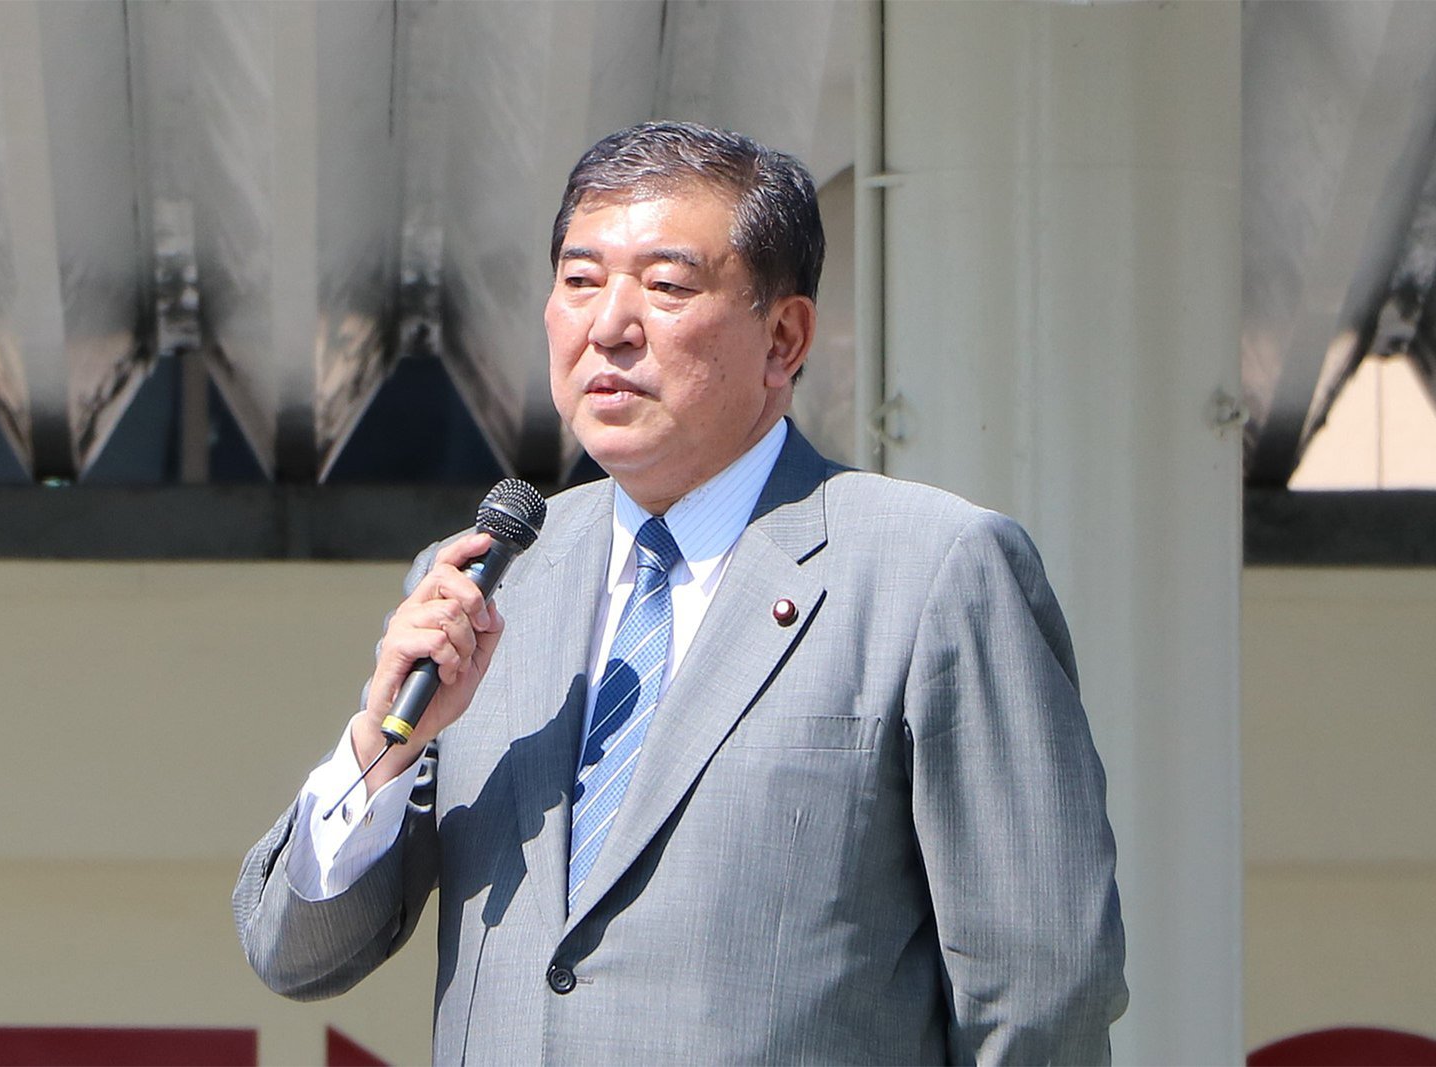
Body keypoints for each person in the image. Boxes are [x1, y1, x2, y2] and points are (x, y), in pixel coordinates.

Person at [235, 121, 1126, 1064]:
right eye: (580, 280)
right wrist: (382, 744)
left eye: (666, 287)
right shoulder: (488, 582)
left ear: (784, 336)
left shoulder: (932, 570)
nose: (608, 326)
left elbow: (1043, 990)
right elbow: (295, 949)